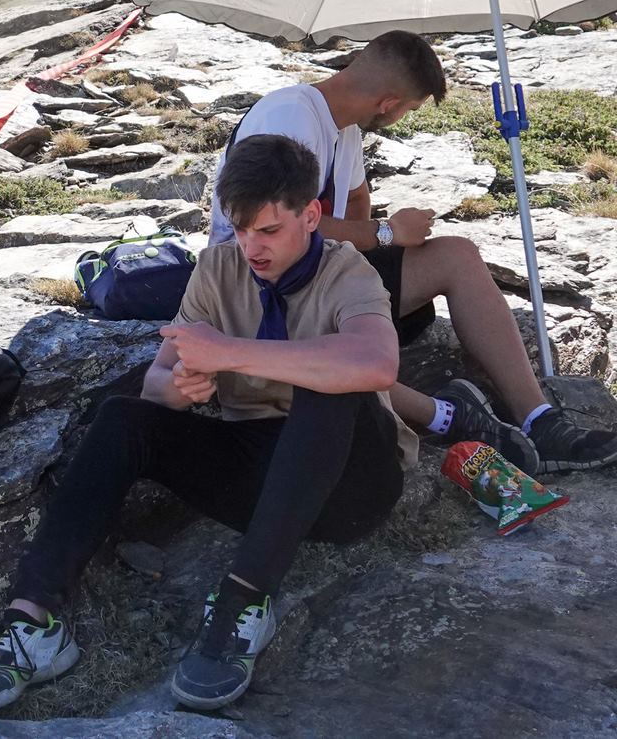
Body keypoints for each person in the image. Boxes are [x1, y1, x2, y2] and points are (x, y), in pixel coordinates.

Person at [0, 134, 411, 714]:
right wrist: (184, 388)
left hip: (350, 486)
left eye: (267, 231)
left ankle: (244, 601)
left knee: (332, 384)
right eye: (240, 230)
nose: (251, 247)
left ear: (311, 214)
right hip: (263, 475)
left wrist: (230, 353)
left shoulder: (349, 273)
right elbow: (156, 383)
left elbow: (375, 363)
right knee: (124, 418)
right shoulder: (217, 270)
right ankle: (33, 621)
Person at [211, 30, 617, 475]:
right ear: (388, 103)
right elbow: (271, 226)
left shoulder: (342, 128)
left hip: (316, 273)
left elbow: (357, 204)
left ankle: (540, 421)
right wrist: (387, 233)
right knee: (330, 331)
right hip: (257, 281)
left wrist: (377, 252)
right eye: (411, 109)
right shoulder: (291, 116)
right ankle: (449, 415)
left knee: (456, 256)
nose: (403, 117)